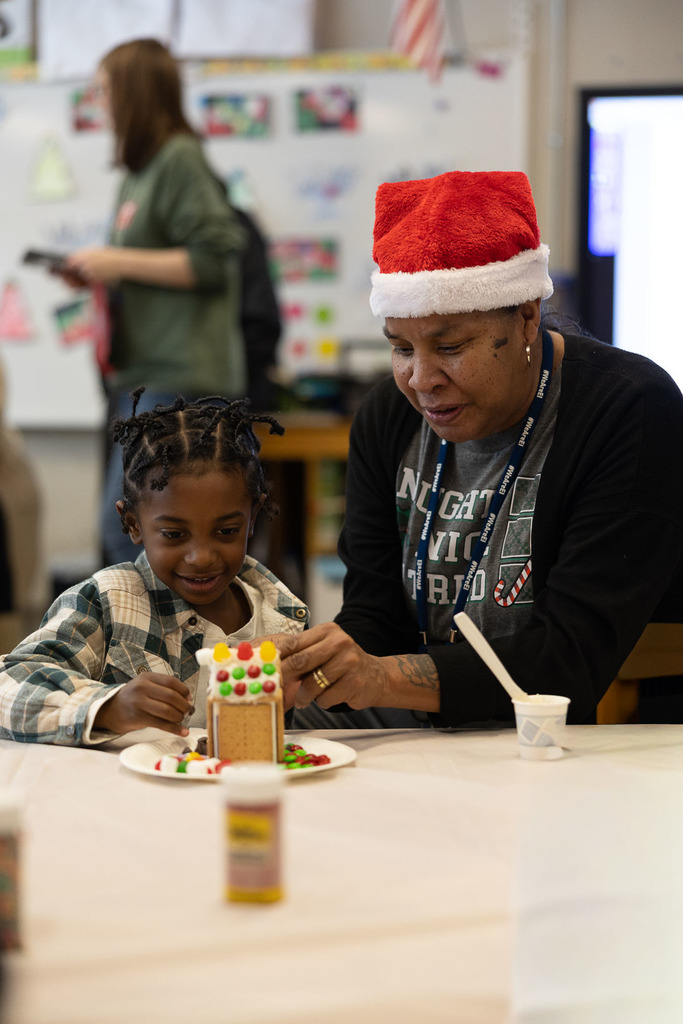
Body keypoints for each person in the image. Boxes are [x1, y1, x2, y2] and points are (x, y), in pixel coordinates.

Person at [277, 169, 683, 729]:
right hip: (431, 720)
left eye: (450, 346)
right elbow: (375, 616)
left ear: (525, 319)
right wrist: (326, 661)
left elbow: (569, 662)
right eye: (400, 348)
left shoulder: (630, 409)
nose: (422, 380)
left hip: (576, 731)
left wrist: (382, 678)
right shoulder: (386, 417)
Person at [0, 392, 308, 745]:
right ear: (132, 524)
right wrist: (107, 707)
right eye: (175, 535)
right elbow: (9, 684)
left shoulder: (283, 617)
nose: (201, 556)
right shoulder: (106, 603)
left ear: (253, 517)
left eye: (226, 532)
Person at [59, 38, 249, 566]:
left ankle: (171, 649)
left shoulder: (179, 160)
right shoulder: (138, 173)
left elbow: (214, 260)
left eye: (103, 90)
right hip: (144, 374)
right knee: (130, 529)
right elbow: (151, 264)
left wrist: (116, 263)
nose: (98, 102)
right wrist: (100, 273)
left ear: (132, 91)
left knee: (140, 532)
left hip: (180, 376)